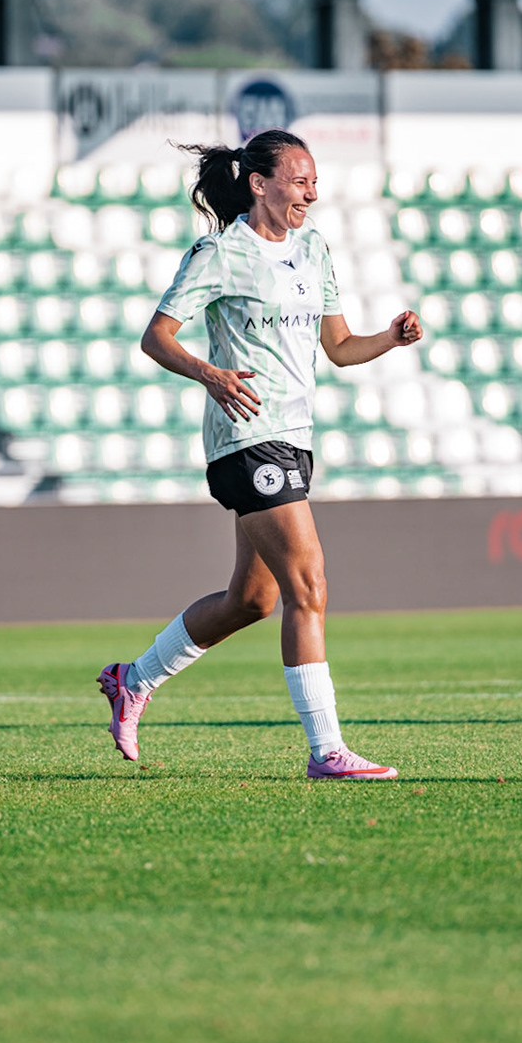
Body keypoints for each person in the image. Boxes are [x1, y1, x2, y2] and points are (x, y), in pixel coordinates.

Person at [96, 129, 423, 779]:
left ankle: (132, 679)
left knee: (253, 599)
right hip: (244, 436)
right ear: (260, 182)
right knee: (311, 584)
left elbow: (338, 347)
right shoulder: (220, 253)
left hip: (295, 440)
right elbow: (156, 338)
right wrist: (210, 375)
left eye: (314, 180)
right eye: (300, 179)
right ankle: (327, 750)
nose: (312, 191)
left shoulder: (314, 249)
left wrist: (388, 338)